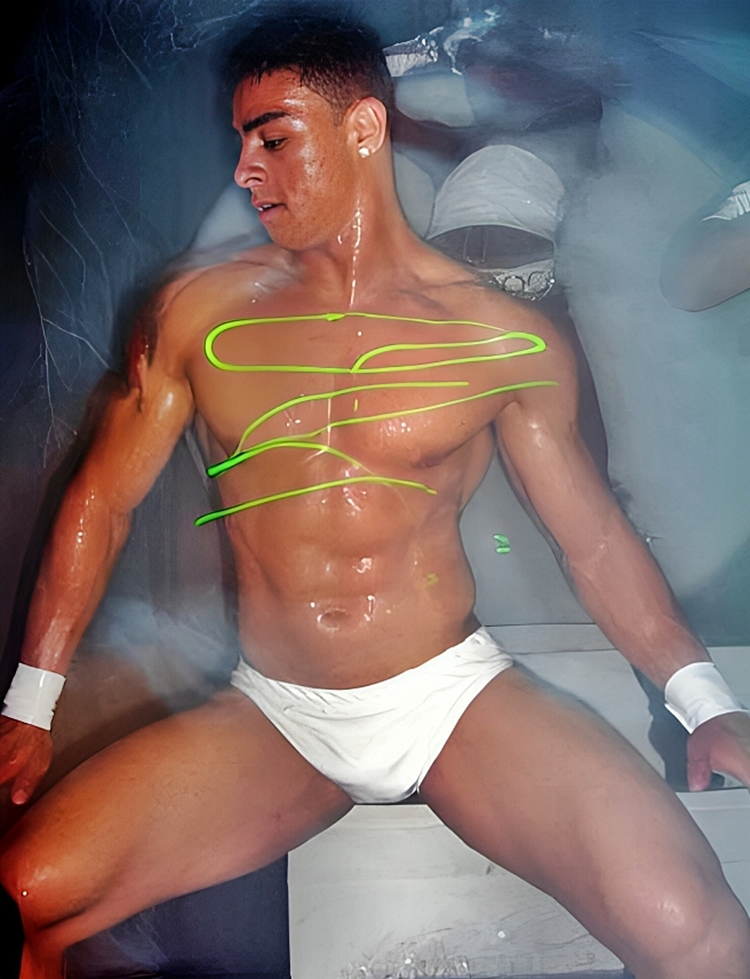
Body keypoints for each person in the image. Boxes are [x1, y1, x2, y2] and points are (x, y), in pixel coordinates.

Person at [1, 12, 750, 978]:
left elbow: (593, 541)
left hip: (444, 698)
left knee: (698, 934)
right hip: (277, 711)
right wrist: (31, 701)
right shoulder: (197, 309)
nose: (246, 170)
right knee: (33, 887)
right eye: (241, 143)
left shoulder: (496, 335)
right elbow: (103, 501)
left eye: (273, 138)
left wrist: (704, 703)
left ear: (363, 128)